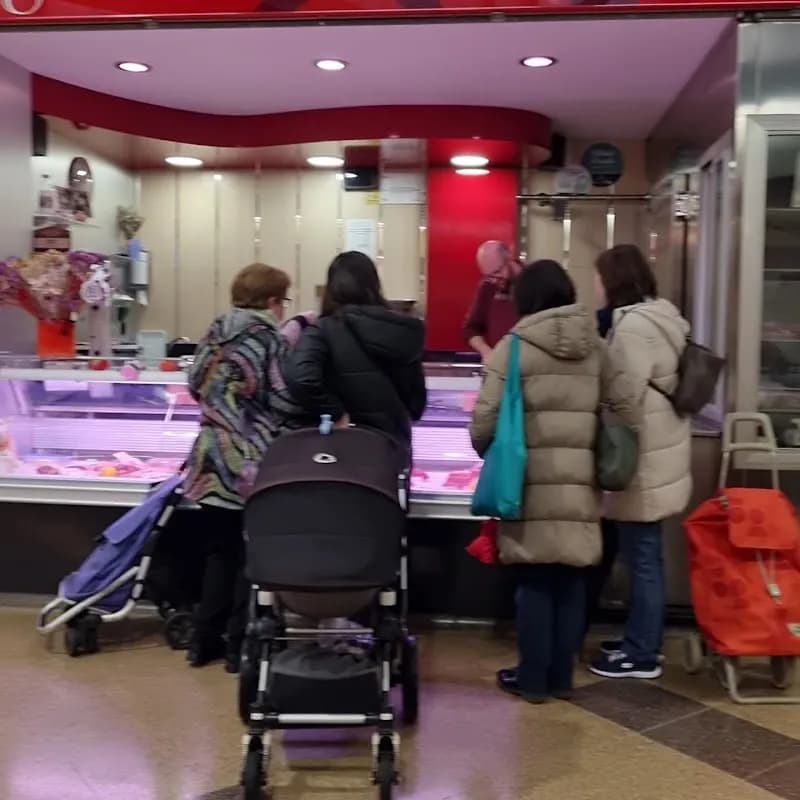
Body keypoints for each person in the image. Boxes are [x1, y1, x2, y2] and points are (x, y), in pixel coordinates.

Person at [469, 259, 603, 703]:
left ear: (526, 299)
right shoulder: (599, 347)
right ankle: (561, 678)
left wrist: (490, 452)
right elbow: (625, 412)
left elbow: (484, 421)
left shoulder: (514, 347)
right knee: (570, 580)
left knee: (534, 582)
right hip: (581, 481)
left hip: (526, 482)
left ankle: (531, 680)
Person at [184, 263, 299, 670]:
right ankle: (238, 648)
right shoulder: (269, 340)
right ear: (271, 301)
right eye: (283, 300)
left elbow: (194, 384)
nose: (284, 308)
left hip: (210, 457)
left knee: (219, 553)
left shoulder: (216, 331)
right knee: (250, 557)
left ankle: (202, 642)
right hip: (250, 462)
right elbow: (284, 399)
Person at [589, 244, 692, 680]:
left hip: (642, 456)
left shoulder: (632, 327)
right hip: (664, 445)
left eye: (598, 278)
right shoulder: (664, 316)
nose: (595, 286)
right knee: (646, 552)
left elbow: (624, 396)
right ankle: (641, 636)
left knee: (642, 555)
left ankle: (642, 653)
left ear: (613, 281)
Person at [284, 251, 427, 458]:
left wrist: (334, 412)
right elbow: (416, 405)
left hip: (340, 449)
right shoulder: (402, 329)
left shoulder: (323, 329)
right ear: (374, 285)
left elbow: (300, 376)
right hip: (391, 448)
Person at [462, 241, 522, 362]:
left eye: (497, 272)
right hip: (499, 368)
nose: (494, 280)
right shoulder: (487, 287)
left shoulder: (535, 281)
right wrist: (486, 352)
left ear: (509, 258)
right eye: (488, 276)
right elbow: (471, 329)